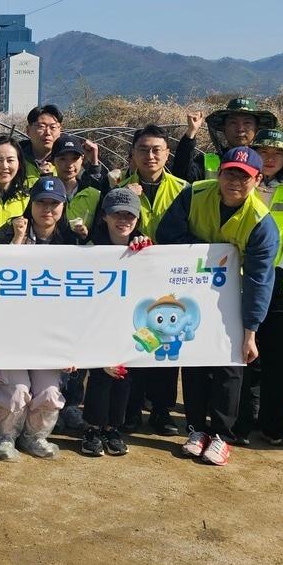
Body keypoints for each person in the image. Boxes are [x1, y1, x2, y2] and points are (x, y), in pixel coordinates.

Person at [157, 145, 280, 467]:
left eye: (244, 176)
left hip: (234, 301)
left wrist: (251, 330)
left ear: (257, 180)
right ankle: (196, 428)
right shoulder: (194, 194)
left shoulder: (262, 222)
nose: (235, 182)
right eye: (229, 173)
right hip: (193, 296)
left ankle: (222, 435)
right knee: (196, 361)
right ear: (219, 173)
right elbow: (167, 235)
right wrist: (211, 256)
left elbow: (259, 279)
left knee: (230, 364)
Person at [0, 177, 80, 460]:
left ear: (63, 206)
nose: (47, 209)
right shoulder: (8, 232)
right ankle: (3, 437)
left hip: (50, 334)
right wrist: (16, 242)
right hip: (10, 330)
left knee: (50, 392)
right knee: (15, 391)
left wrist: (73, 346)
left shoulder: (73, 242)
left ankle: (34, 437)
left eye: (54, 203)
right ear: (31, 203)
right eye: (41, 202)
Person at [112, 125, 187, 436]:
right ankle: (131, 408)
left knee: (166, 342)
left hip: (169, 280)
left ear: (167, 153)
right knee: (135, 339)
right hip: (132, 280)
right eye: (143, 149)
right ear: (133, 154)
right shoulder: (119, 189)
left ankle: (161, 410)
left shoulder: (185, 189)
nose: (150, 155)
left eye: (157, 149)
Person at [241, 128, 283, 447]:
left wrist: (281, 270)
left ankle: (274, 424)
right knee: (244, 355)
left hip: (281, 284)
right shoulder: (241, 183)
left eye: (277, 154)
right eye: (264, 153)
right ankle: (244, 419)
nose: (270, 160)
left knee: (279, 359)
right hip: (242, 281)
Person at [79, 187, 151, 458]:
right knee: (100, 374)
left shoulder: (143, 246)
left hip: (130, 322)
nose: (124, 220)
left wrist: (147, 249)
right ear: (105, 217)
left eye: (130, 215)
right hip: (98, 321)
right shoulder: (90, 248)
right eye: (117, 214)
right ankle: (92, 428)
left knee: (124, 376)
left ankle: (114, 428)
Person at [173, 97, 277, 182]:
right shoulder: (207, 162)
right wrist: (191, 132)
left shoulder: (269, 163)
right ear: (223, 127)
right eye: (233, 123)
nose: (240, 129)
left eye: (247, 123)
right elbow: (181, 175)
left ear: (257, 128)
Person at [21, 103, 65, 178]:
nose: (47, 132)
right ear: (28, 130)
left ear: (60, 130)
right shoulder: (17, 159)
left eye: (53, 127)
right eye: (41, 126)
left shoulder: (69, 159)